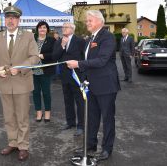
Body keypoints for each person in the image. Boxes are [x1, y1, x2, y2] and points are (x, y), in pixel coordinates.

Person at [0, 5, 39, 161]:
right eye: (8, 17)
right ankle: (13, 142)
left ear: (19, 20)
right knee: (9, 117)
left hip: (22, 83)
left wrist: (21, 67)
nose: (11, 20)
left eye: (14, 18)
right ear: (5, 20)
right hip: (4, 84)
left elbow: (34, 57)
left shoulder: (29, 36)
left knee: (22, 117)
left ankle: (23, 146)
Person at [66, 10, 120, 161]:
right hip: (91, 86)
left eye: (90, 20)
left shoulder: (107, 37)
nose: (87, 23)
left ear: (99, 21)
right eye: (87, 20)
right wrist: (83, 79)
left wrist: (78, 64)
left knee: (108, 118)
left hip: (106, 86)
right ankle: (90, 145)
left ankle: (107, 149)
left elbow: (102, 60)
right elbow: (88, 62)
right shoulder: (90, 39)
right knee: (92, 117)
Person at [52, 22, 86, 136]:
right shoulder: (58, 41)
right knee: (67, 100)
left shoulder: (80, 41)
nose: (63, 29)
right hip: (65, 76)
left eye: (66, 27)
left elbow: (84, 58)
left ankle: (81, 125)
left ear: (72, 29)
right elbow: (55, 57)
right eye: (63, 27)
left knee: (80, 101)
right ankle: (70, 122)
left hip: (77, 76)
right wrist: (62, 46)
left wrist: (84, 74)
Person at [32, 21, 56, 122]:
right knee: (35, 93)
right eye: (40, 27)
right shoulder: (32, 39)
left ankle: (47, 113)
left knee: (46, 93)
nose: (42, 29)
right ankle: (38, 112)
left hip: (45, 71)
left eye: (44, 27)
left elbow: (55, 54)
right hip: (33, 71)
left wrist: (44, 56)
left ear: (47, 29)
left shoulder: (51, 40)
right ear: (37, 29)